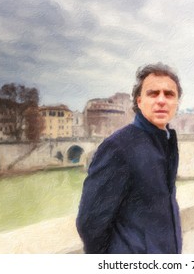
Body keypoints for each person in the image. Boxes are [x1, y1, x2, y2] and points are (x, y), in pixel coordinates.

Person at [76, 62, 183, 254]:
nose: (161, 100)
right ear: (139, 101)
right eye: (153, 93)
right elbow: (90, 222)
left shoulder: (167, 143)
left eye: (169, 94)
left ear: (177, 102)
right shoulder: (118, 147)